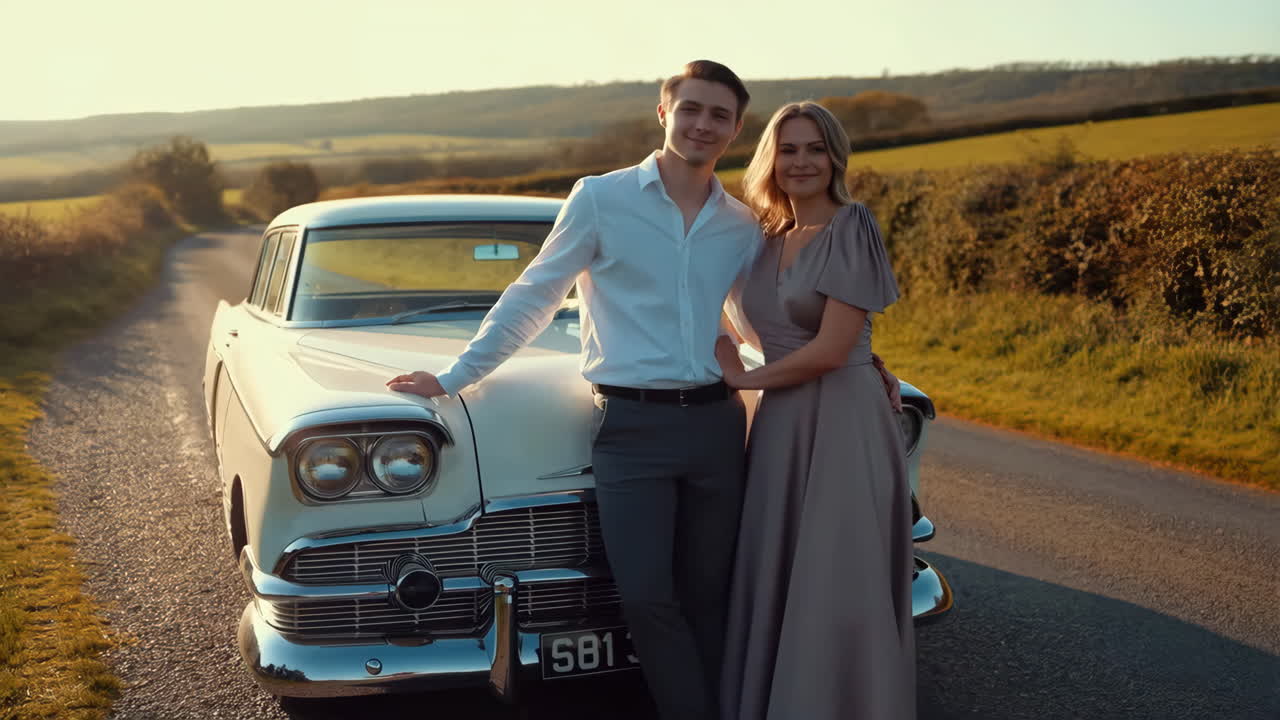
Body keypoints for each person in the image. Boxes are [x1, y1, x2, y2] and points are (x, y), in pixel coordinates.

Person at [387, 60, 761, 720]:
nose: (703, 124)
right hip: (629, 429)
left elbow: (756, 321)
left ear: (736, 129)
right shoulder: (600, 199)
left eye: (720, 115)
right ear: (663, 112)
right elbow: (535, 294)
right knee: (646, 595)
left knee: (711, 593)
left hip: (717, 428)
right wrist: (454, 377)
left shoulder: (740, 223)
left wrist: (849, 365)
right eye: (691, 108)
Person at [716, 101, 916, 720]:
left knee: (836, 568)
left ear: (835, 157)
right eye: (789, 149)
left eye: (814, 149)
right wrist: (721, 354)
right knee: (780, 565)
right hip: (779, 422)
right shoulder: (763, 239)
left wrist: (744, 377)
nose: (801, 162)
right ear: (770, 159)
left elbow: (831, 349)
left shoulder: (853, 226)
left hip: (842, 419)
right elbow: (730, 320)